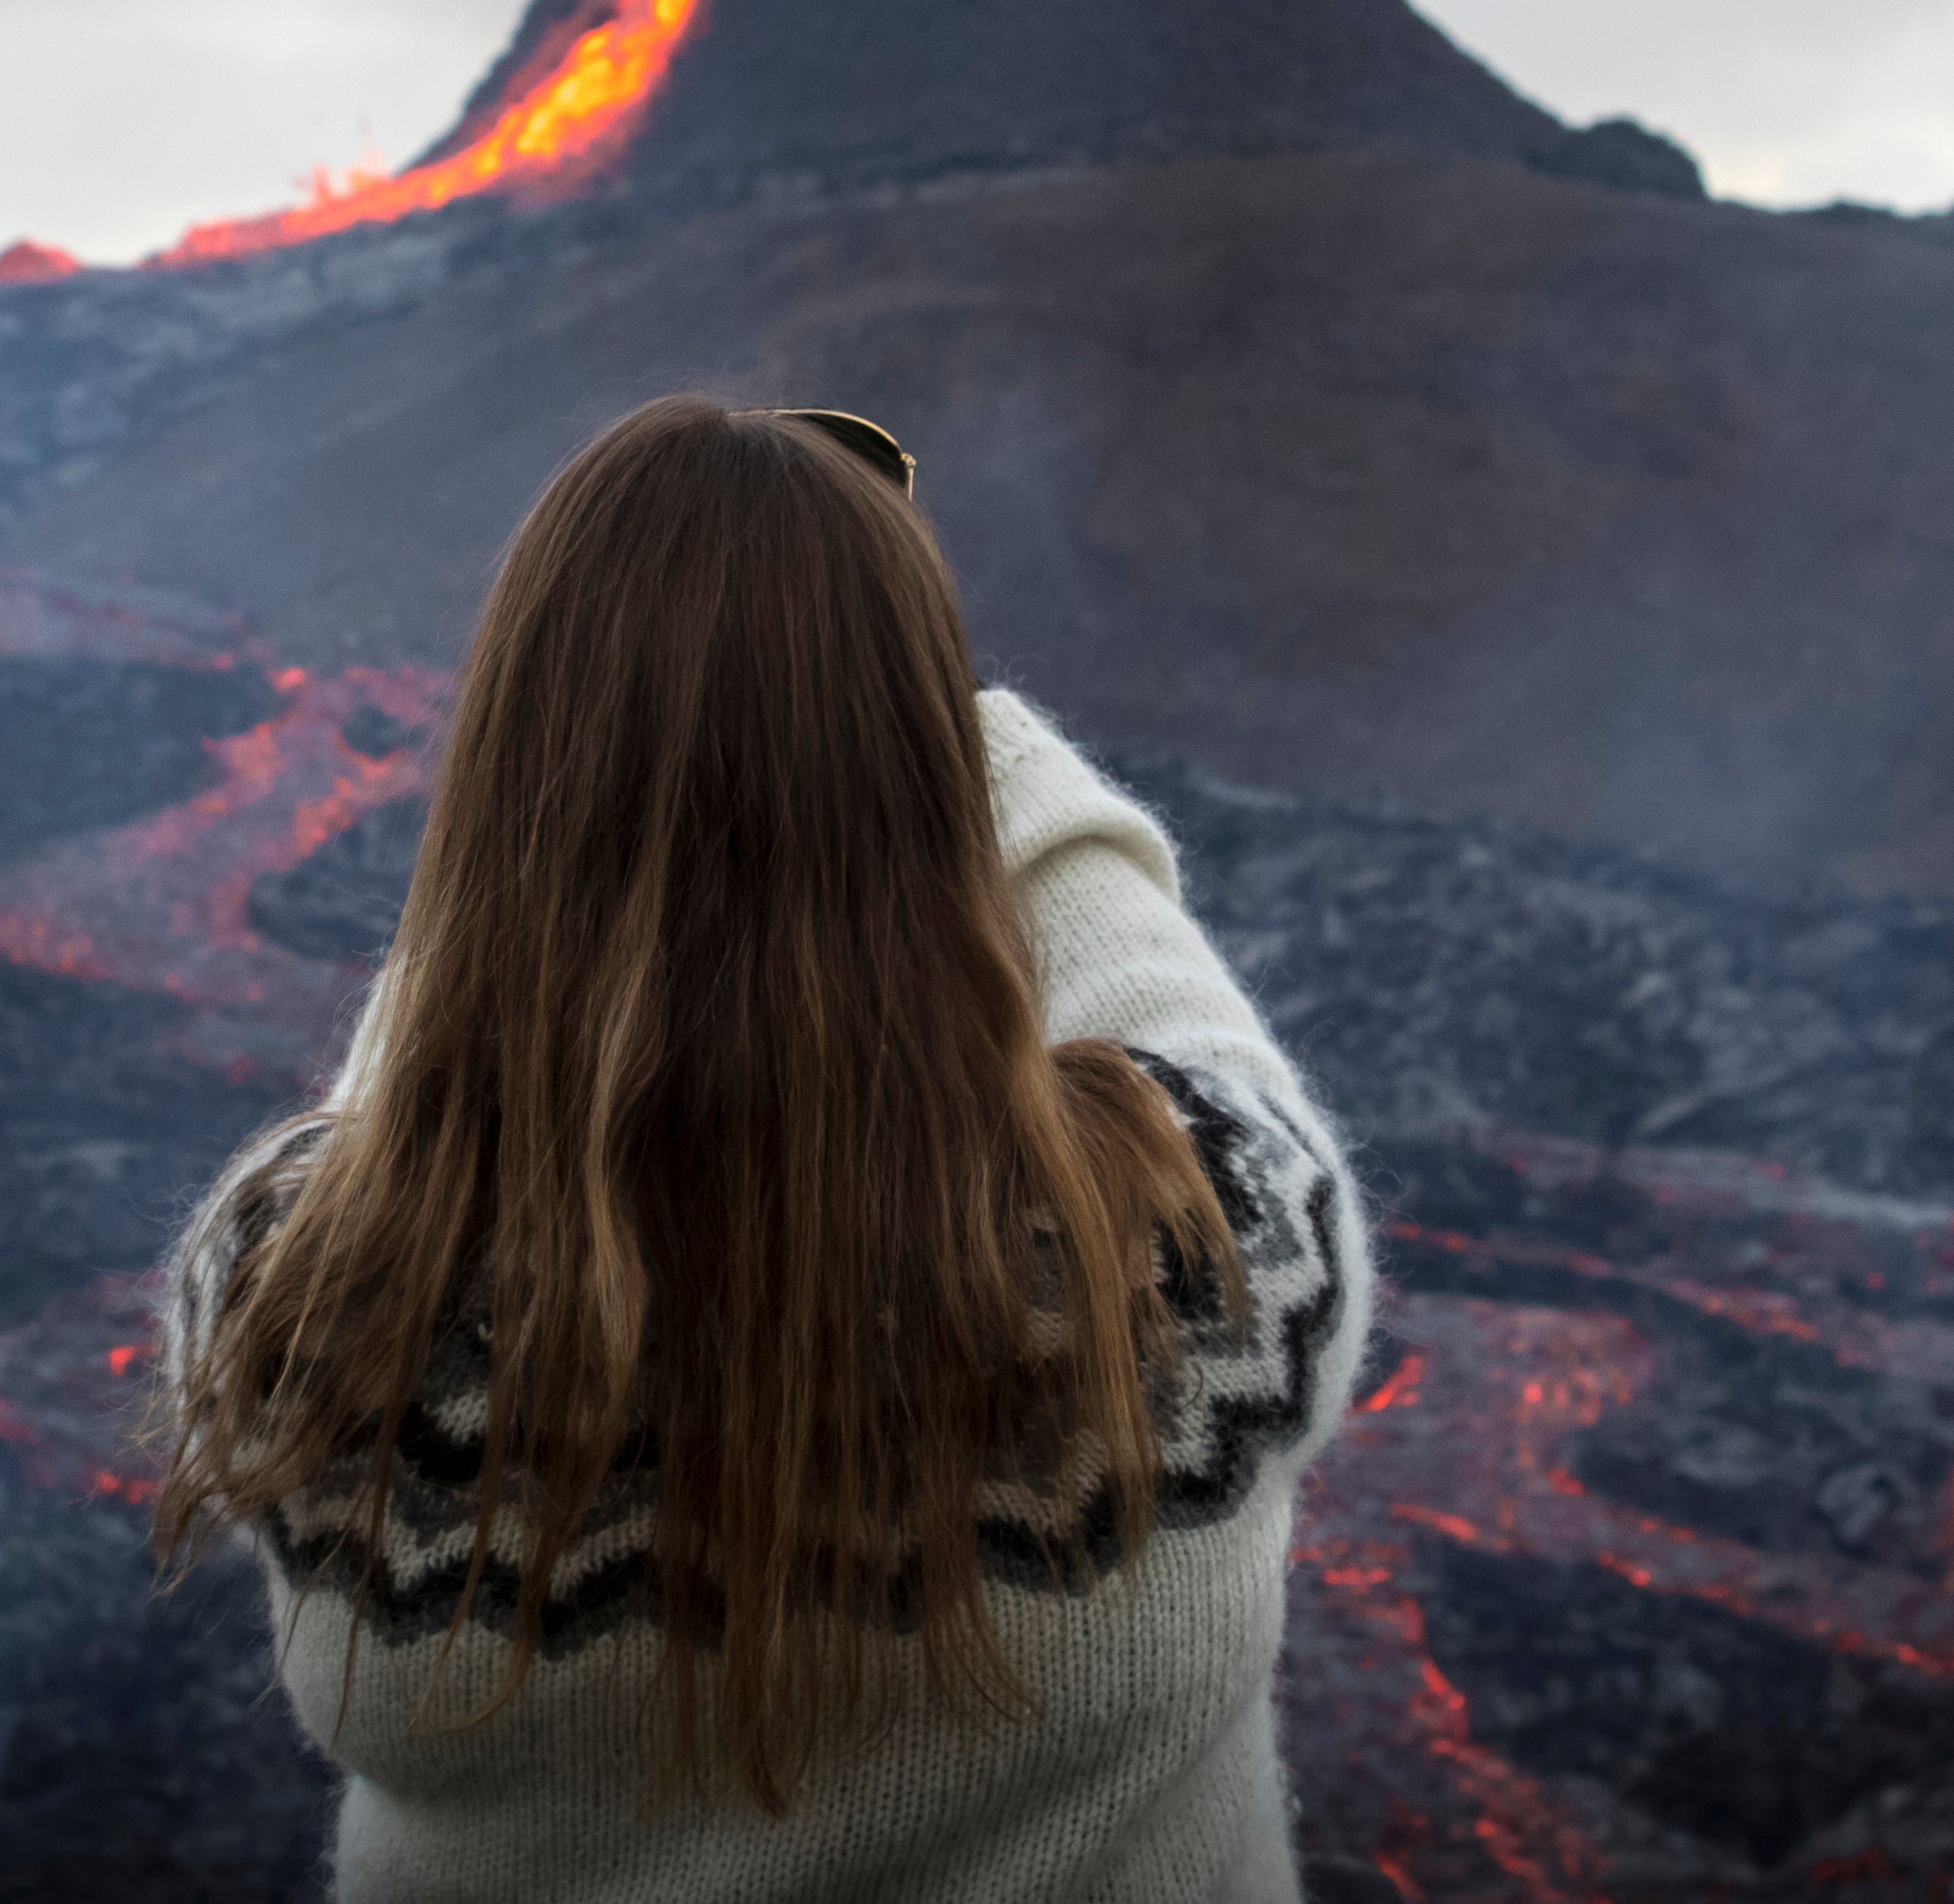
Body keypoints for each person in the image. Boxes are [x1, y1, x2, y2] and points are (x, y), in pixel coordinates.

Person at [151, 393, 1376, 1902]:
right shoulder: (1191, 1263)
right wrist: (939, 727)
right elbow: (1182, 1017)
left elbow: (416, 1104)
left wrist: (544, 847)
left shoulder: (303, 1296)